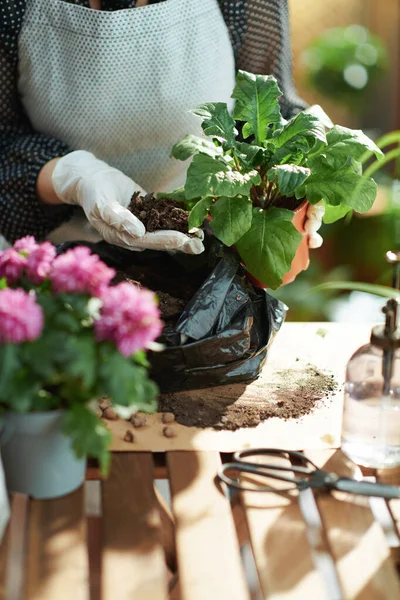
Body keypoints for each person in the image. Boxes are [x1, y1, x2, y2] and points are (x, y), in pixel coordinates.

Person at [0, 0, 324, 253]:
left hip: (206, 245)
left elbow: (268, 103)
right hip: (65, 266)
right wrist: (72, 176)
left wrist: (304, 163)